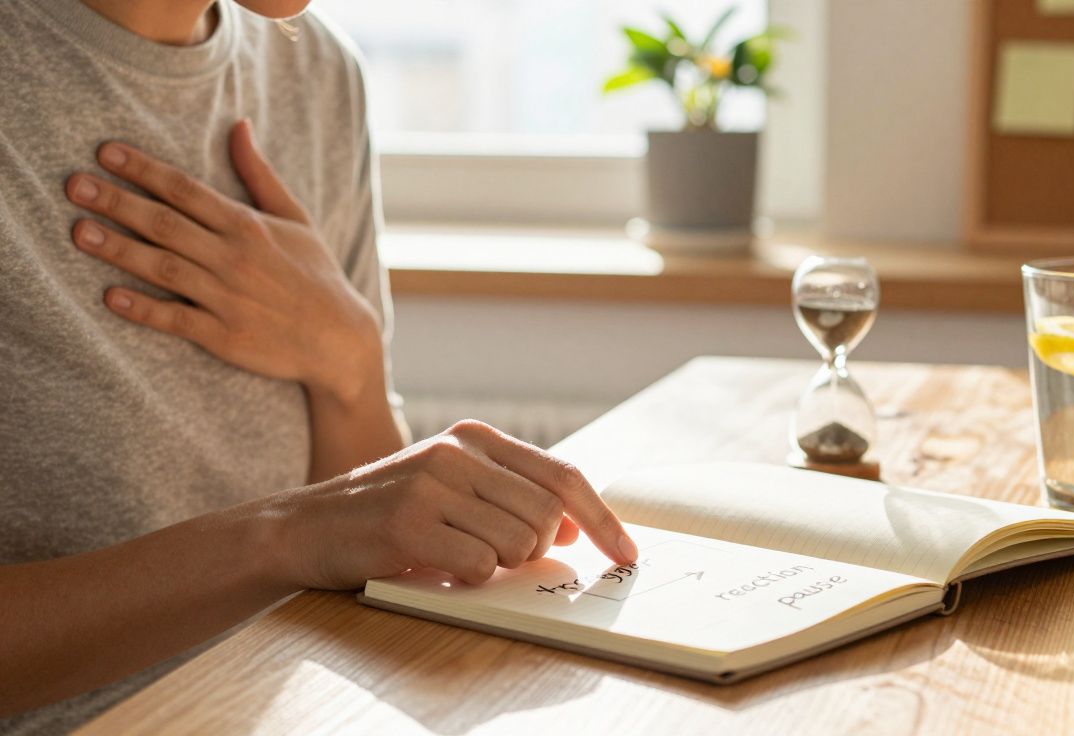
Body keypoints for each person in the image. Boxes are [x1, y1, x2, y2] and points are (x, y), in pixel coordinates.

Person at [0, 0, 638, 732]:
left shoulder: (314, 70)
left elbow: (369, 548)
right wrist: (281, 539)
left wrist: (350, 361)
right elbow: (315, 537)